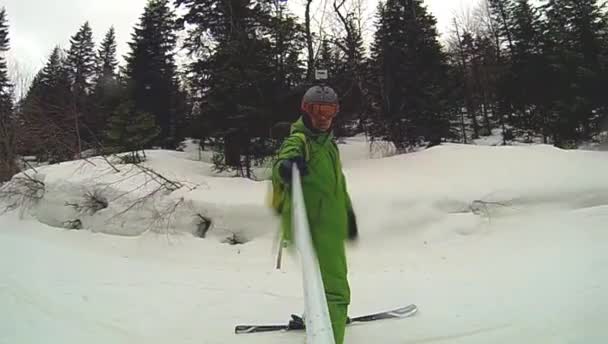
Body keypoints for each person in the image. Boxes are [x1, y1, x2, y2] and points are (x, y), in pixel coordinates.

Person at [270, 85, 358, 344]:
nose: (324, 116)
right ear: (306, 110)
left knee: (319, 278)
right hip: (315, 227)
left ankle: (323, 314)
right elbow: (282, 161)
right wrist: (285, 168)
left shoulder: (329, 145)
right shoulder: (299, 140)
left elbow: (337, 184)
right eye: (318, 110)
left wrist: (348, 213)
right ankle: (328, 333)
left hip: (329, 223)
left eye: (330, 110)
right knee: (336, 291)